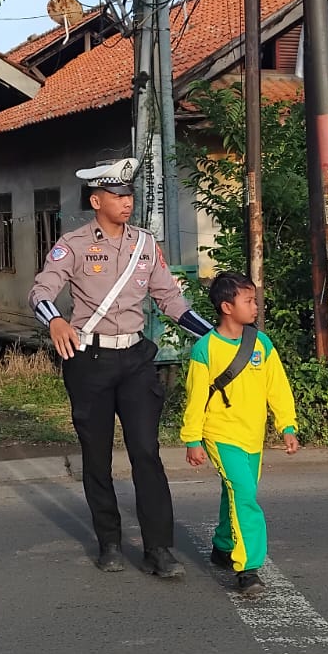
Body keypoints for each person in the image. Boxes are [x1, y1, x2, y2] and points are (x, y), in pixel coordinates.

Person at [30, 158, 213, 578]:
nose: (127, 202)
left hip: (135, 359)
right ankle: (109, 542)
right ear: (97, 201)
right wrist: (55, 320)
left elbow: (170, 299)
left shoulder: (145, 244)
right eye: (117, 196)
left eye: (129, 194)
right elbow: (41, 291)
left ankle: (158, 548)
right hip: (88, 361)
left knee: (146, 452)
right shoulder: (73, 245)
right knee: (96, 457)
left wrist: (213, 335)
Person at [180, 270, 300, 600]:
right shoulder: (205, 349)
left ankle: (222, 546)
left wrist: (287, 426)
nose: (256, 306)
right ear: (227, 307)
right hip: (220, 434)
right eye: (248, 301)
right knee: (245, 494)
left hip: (252, 436)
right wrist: (192, 439)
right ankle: (247, 570)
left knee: (235, 491)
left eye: (254, 300)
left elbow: (278, 387)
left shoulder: (261, 343)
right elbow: (195, 399)